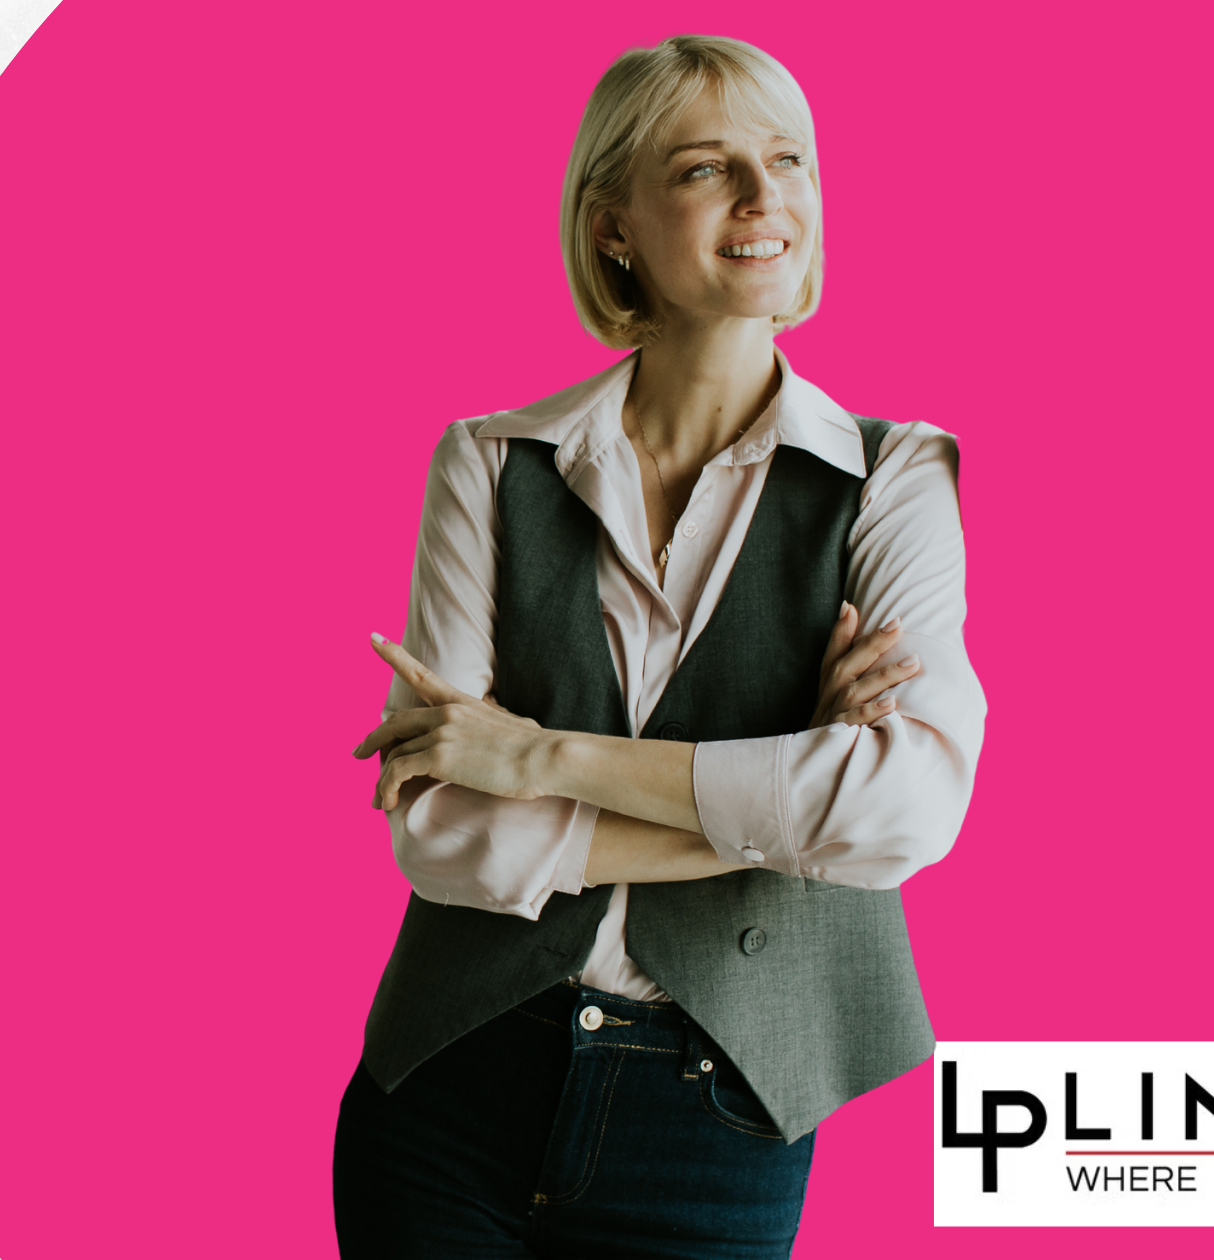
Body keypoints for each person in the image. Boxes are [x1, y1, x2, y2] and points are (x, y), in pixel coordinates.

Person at [332, 33, 984, 1257]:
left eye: (786, 159)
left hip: (718, 1118)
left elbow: (904, 813)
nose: (764, 198)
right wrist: (786, 801)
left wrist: (536, 759)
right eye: (705, 167)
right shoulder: (487, 462)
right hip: (449, 1090)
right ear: (613, 222)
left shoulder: (893, 478)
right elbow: (440, 832)